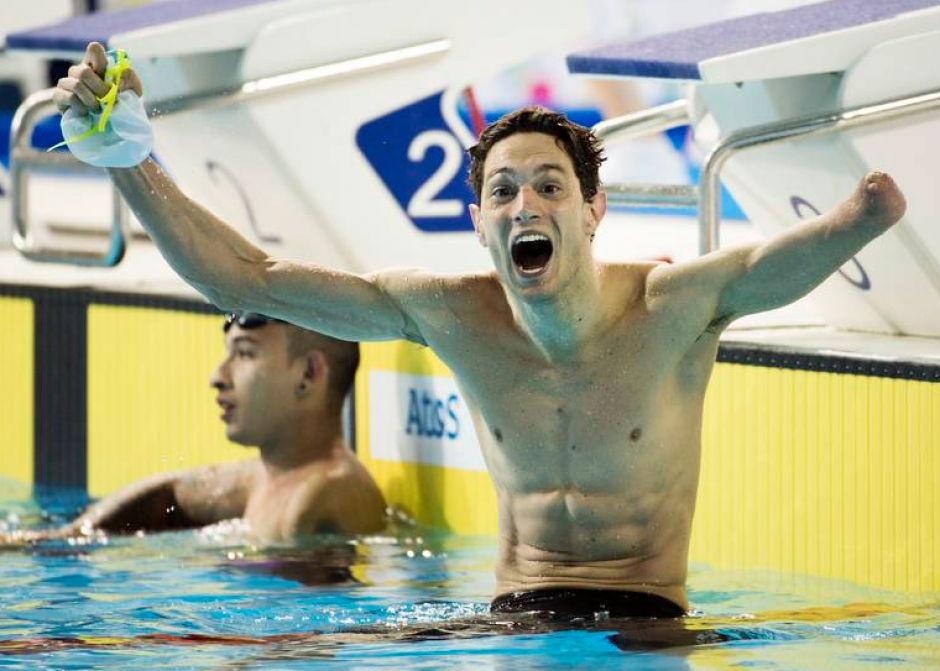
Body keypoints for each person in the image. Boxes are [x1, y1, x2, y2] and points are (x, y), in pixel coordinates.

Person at [51, 42, 906, 618]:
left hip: (647, 623)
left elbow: (774, 265)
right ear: (479, 222)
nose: (524, 204)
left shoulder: (672, 306)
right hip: (513, 618)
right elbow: (244, 280)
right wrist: (129, 157)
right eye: (502, 191)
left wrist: (866, 212)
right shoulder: (451, 313)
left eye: (548, 186)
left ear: (593, 210)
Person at [3, 313, 387, 544]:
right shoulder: (270, 477)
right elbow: (172, 494)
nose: (217, 376)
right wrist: (64, 537)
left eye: (244, 354)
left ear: (308, 374)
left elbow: (302, 638)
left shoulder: (323, 494)